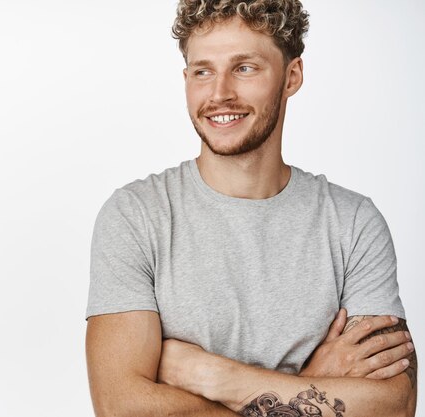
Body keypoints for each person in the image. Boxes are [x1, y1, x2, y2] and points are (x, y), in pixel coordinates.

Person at [85, 1, 418, 416]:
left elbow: (394, 406)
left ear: (291, 76)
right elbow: (122, 408)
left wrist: (210, 374)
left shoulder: (352, 223)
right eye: (202, 71)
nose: (220, 93)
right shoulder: (137, 216)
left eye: (244, 68)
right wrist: (310, 386)